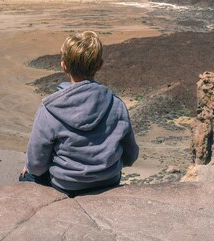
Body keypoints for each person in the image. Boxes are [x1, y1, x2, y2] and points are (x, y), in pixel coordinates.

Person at [20, 31, 139, 197]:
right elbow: (131, 155)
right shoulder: (116, 104)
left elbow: (36, 165)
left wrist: (30, 168)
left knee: (26, 175)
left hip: (66, 186)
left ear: (64, 65)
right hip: (109, 182)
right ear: (99, 65)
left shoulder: (50, 108)